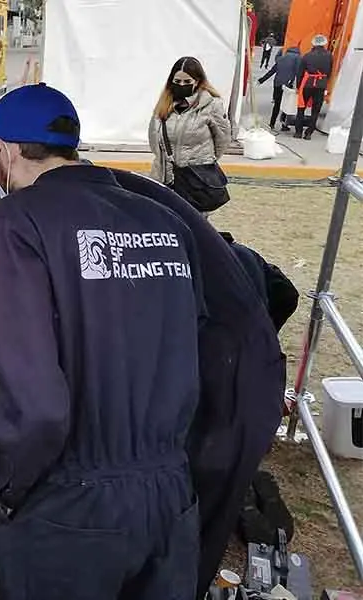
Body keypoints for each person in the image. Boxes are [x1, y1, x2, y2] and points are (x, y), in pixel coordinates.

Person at [0, 83, 205, 600]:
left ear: (5, 151)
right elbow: (195, 340)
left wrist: (8, 491)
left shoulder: (17, 219)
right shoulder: (163, 218)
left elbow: (40, 406)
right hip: (170, 495)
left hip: (70, 503)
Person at [106, 170, 285, 599]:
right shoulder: (122, 198)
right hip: (230, 364)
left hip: (231, 378)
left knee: (199, 507)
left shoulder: (105, 216)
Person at [148, 57, 231, 210]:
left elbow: (223, 140)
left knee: (195, 224)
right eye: (177, 81)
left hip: (195, 179)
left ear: (197, 81)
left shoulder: (212, 105)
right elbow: (154, 140)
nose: (181, 85)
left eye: (187, 82)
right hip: (165, 177)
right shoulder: (163, 105)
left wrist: (203, 160)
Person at [295, 34, 333, 139]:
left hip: (307, 83)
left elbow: (300, 73)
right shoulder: (329, 56)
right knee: (315, 110)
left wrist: (298, 86)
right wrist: (325, 81)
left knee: (301, 108)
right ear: (324, 44)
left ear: (313, 44)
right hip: (321, 84)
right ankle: (309, 133)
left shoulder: (307, 55)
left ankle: (298, 132)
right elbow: (329, 71)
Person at [258, 45, 301, 131]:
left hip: (277, 83)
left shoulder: (281, 58)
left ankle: (272, 123)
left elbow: (272, 71)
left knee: (277, 105)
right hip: (288, 86)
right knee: (286, 105)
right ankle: (284, 125)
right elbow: (298, 72)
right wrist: (299, 86)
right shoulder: (298, 58)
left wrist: (261, 80)